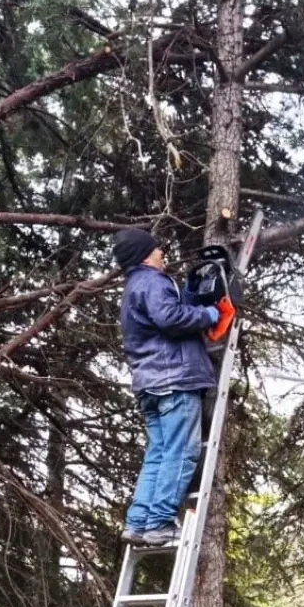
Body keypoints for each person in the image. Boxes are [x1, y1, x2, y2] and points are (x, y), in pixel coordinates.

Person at [113, 227, 220, 548]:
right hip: (174, 380)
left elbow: (162, 317)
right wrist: (208, 313)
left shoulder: (133, 287)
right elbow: (170, 319)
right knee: (180, 452)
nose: (163, 254)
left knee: (158, 455)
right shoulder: (152, 281)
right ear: (146, 255)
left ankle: (138, 523)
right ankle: (159, 524)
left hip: (150, 384)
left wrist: (188, 301)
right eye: (158, 250)